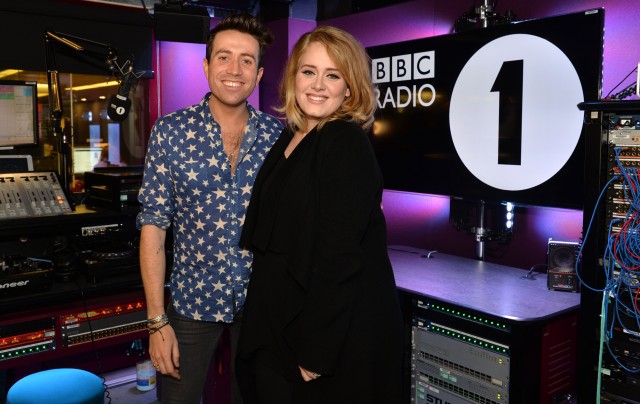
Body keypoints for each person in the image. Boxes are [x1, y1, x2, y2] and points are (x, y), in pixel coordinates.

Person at [237, 25, 404, 403]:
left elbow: (338, 259)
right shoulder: (293, 134)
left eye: (333, 75)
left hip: (326, 338)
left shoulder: (344, 142)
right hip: (284, 320)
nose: (317, 85)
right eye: (308, 71)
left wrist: (317, 352)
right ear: (293, 77)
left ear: (350, 87)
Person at [136, 13, 282, 404]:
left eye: (246, 60)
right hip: (191, 303)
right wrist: (156, 322)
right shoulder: (170, 131)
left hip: (261, 304)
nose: (234, 69)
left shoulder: (278, 136)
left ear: (259, 73)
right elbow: (153, 228)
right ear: (206, 66)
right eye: (224, 57)